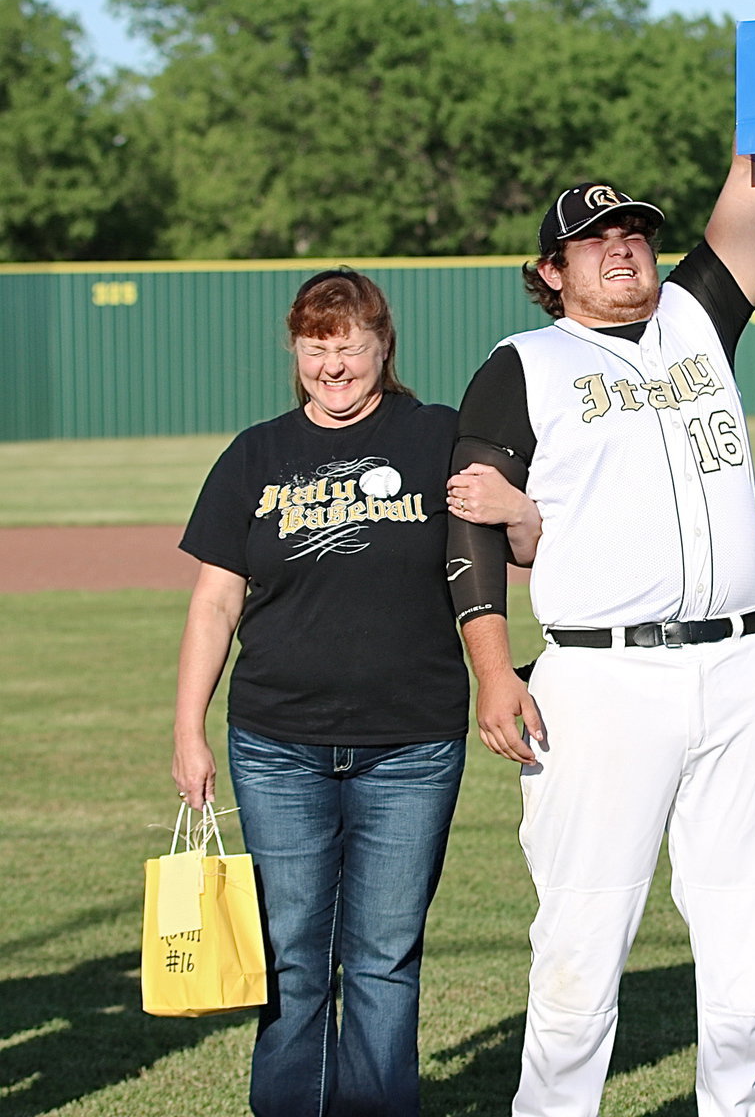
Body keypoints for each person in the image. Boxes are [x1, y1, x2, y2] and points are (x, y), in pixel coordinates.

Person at [446, 0, 755, 1117]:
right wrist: (493, 667)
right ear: (550, 272)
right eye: (597, 240)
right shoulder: (522, 365)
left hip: (741, 667)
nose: (625, 247)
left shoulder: (697, 325)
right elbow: (468, 522)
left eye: (637, 234)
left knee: (748, 944)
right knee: (578, 949)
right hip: (601, 684)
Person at [171, 268, 536, 1117]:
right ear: (294, 351)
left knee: (382, 957)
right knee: (292, 956)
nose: (333, 366)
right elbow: (215, 601)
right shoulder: (256, 453)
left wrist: (520, 507)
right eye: (315, 348)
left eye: (350, 347)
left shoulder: (439, 434)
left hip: (410, 745)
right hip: (276, 743)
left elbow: (518, 548)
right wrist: (188, 727)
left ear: (384, 344)